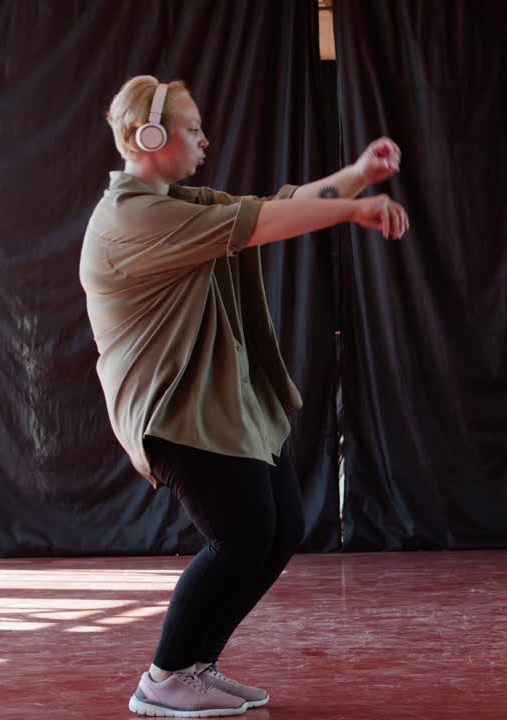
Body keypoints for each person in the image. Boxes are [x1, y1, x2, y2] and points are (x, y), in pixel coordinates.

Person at [80, 75, 408, 717]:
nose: (204, 139)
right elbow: (263, 221)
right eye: (192, 127)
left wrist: (359, 174)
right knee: (240, 536)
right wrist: (353, 207)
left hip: (228, 402)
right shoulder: (133, 216)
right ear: (151, 137)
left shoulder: (179, 201)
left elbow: (270, 206)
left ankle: (195, 666)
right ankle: (163, 677)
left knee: (280, 528)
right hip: (178, 409)